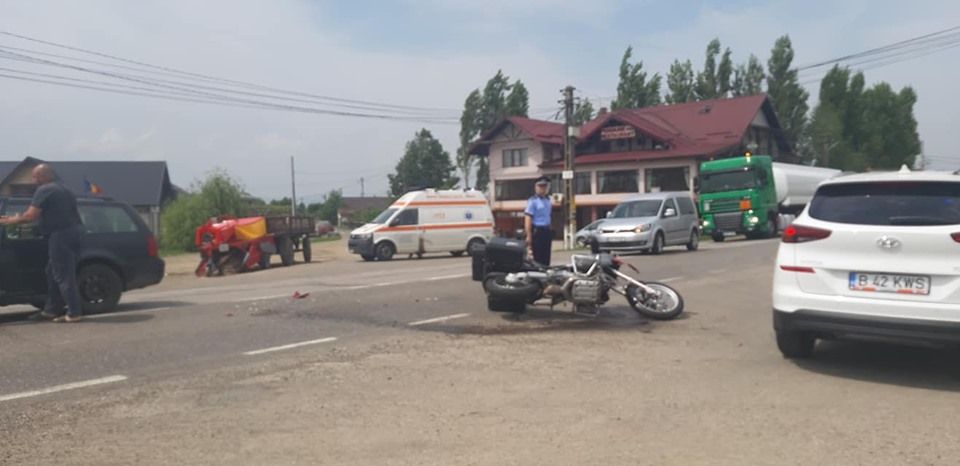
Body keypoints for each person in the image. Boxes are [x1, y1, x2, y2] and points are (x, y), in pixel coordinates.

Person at [0, 164, 85, 323]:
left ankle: (74, 312)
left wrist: (10, 220)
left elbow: (30, 216)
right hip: (73, 232)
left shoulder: (45, 189)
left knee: (63, 274)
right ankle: (51, 310)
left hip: (60, 234)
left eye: (35, 176)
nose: (33, 180)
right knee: (52, 272)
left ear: (44, 176)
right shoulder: (65, 189)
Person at [524, 175, 553, 265]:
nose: (542, 189)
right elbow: (528, 218)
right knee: (537, 258)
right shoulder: (533, 201)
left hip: (546, 231)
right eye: (540, 186)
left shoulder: (548, 200)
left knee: (546, 257)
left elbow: (548, 217)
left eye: (544, 186)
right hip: (537, 232)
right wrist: (528, 235)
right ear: (536, 187)